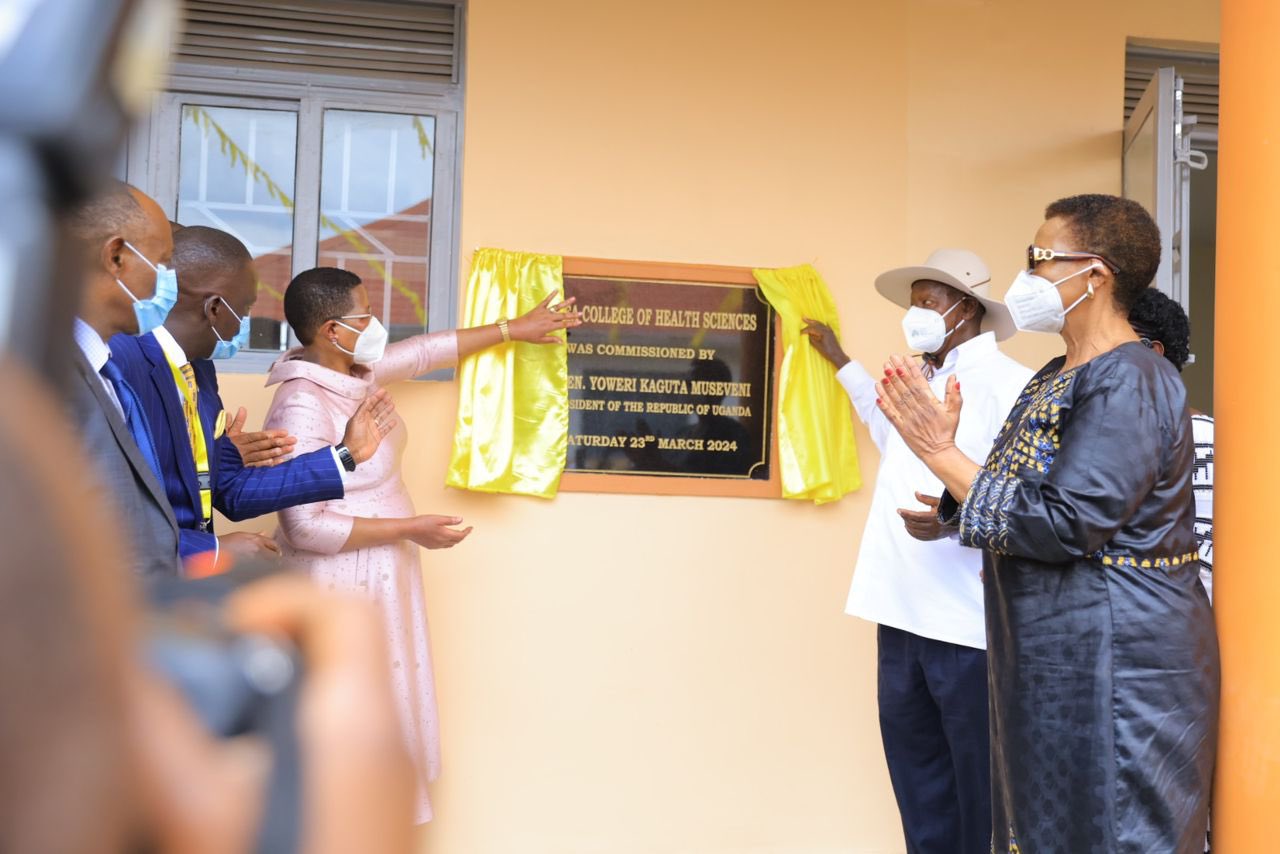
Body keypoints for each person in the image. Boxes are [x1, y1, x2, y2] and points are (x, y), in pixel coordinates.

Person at [875, 194, 1218, 853]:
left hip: (1120, 669)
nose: (1026, 274)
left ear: (1095, 273)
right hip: (1055, 661)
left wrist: (942, 455)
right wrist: (951, 498)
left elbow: (1067, 521)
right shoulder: (1055, 376)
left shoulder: (1135, 378)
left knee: (1114, 836)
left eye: (1039, 258)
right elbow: (1028, 492)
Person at [262, 267, 582, 823]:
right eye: (365, 316)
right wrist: (410, 529)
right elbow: (304, 529)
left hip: (382, 575)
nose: (377, 325)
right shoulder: (304, 403)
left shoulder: (351, 374)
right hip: (341, 586)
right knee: (345, 739)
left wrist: (515, 329)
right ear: (331, 330)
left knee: (383, 727)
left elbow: (424, 352)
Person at [802, 249, 1031, 854]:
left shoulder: (1011, 387)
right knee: (919, 786)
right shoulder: (918, 378)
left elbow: (1021, 498)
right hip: (899, 610)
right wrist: (840, 361)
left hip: (966, 622)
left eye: (928, 303)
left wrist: (955, 523)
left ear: (967, 309)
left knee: (979, 792)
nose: (916, 316)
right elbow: (885, 434)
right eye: (914, 304)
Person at [108, 225, 396, 567]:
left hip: (177, 588)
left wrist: (346, 454)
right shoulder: (121, 362)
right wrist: (210, 550)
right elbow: (106, 509)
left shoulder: (199, 368)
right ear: (214, 308)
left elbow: (229, 494)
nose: (245, 325)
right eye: (244, 311)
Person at [65, 181, 182, 577]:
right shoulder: (51, 383)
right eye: (162, 261)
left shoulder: (109, 376)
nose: (168, 280)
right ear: (116, 256)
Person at [1128, 288, 1213, 602]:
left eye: (1113, 346)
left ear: (1153, 351)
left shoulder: (1200, 437)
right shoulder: (1104, 434)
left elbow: (1206, 560)